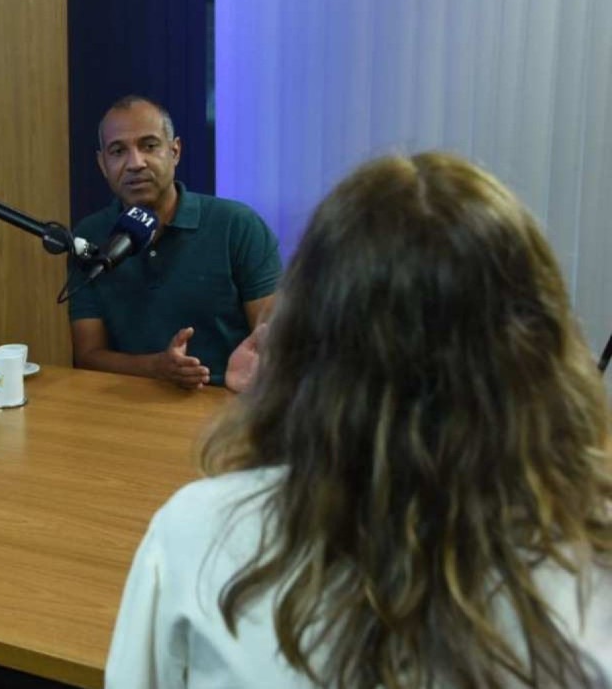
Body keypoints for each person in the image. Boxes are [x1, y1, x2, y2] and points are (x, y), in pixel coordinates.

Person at [105, 152, 612, 687]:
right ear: (539, 339)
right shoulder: (592, 555)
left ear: (305, 329)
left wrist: (274, 400)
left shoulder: (196, 535)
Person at [68, 95, 282, 389]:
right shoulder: (90, 236)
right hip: (126, 404)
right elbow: (88, 356)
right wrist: (157, 367)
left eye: (149, 146)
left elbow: (271, 342)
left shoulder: (237, 225)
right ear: (102, 164)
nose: (135, 163)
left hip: (226, 400)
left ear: (175, 151)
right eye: (118, 151)